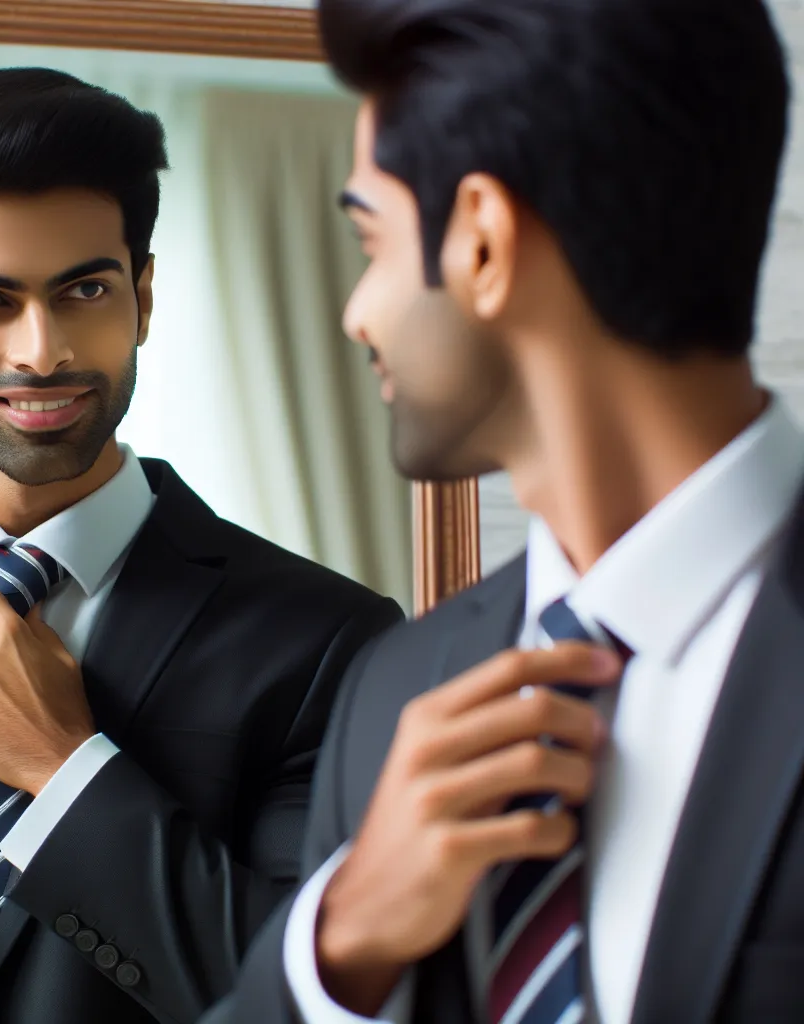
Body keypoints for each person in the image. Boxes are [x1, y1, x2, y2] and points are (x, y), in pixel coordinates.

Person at [205, 0, 804, 1022]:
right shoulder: (396, 686)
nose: (357, 311)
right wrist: (340, 942)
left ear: (479, 238)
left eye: (370, 240)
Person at [0, 67, 403, 1024]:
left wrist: (65, 771)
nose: (42, 349)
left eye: (84, 289)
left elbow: (306, 1001)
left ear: (141, 296)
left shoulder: (332, 640)